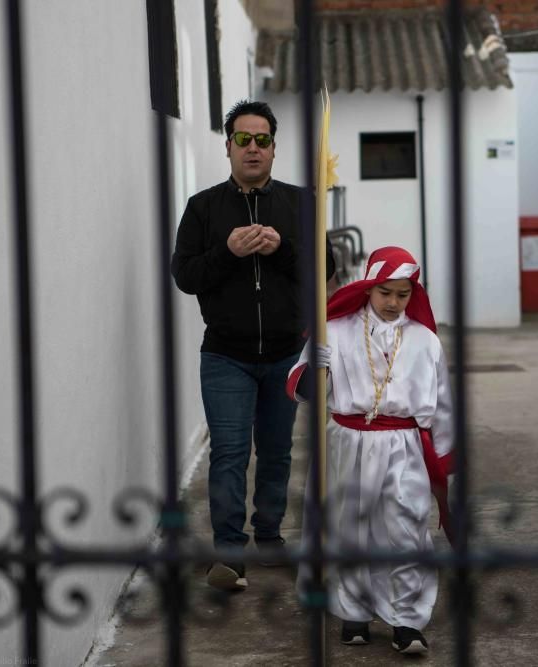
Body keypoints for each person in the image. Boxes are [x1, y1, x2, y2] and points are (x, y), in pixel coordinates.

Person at [171, 99, 334, 592]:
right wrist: (229, 252)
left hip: (286, 352)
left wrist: (281, 249)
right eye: (243, 139)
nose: (253, 148)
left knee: (278, 451)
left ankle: (268, 538)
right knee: (229, 451)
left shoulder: (301, 203)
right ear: (228, 147)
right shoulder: (203, 208)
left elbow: (323, 272)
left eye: (262, 140)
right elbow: (185, 275)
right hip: (225, 355)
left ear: (274, 149)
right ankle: (228, 554)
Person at [286, 246, 454, 656]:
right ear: (367, 288)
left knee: (405, 527)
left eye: (403, 294)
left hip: (403, 445)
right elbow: (306, 393)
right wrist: (315, 368)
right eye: (385, 293)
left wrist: (447, 459)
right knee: (349, 526)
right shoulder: (336, 331)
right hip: (348, 440)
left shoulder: (425, 340)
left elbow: (442, 403)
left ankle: (407, 620)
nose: (394, 303)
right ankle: (354, 610)